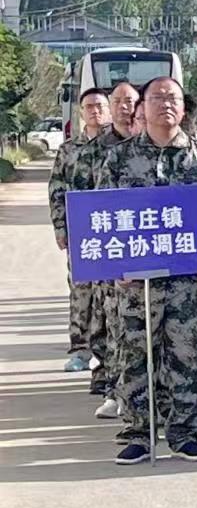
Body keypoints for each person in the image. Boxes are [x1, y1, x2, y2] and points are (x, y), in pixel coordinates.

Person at [99, 76, 197, 464]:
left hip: (186, 280)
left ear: (183, 106)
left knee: (188, 354)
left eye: (172, 97)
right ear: (141, 107)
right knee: (135, 354)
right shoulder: (119, 159)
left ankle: (184, 432)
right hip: (135, 281)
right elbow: (101, 217)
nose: (165, 105)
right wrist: (113, 265)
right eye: (157, 98)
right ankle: (139, 432)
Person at [70, 81, 141, 421]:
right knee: (111, 325)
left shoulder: (156, 146)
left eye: (131, 101)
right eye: (120, 102)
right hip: (111, 254)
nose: (126, 108)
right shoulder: (96, 150)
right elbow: (79, 198)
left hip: (151, 254)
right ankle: (115, 390)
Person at [49, 88, 109, 375]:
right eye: (89, 106)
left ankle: (109, 352)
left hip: (113, 232)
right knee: (81, 292)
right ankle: (80, 350)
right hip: (81, 231)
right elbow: (57, 189)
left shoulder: (120, 146)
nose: (95, 111)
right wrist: (61, 226)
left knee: (110, 293)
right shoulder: (69, 149)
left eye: (100, 106)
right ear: (81, 112)